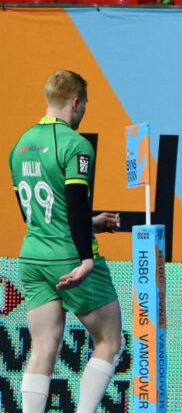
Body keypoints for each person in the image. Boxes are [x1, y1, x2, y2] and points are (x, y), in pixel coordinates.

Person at [9, 70, 124, 413]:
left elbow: (35, 216)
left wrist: (91, 224)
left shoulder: (21, 146)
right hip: (68, 257)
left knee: (44, 346)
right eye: (84, 104)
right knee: (109, 342)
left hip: (32, 258)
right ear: (76, 102)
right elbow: (74, 203)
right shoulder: (76, 144)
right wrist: (86, 258)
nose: (84, 110)